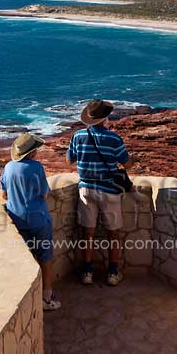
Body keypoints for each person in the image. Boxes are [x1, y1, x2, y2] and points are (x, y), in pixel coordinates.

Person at [67, 99, 133, 286]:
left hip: (86, 189)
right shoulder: (113, 138)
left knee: (87, 233)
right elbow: (127, 164)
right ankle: (112, 273)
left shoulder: (78, 135)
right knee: (113, 233)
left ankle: (87, 272)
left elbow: (69, 160)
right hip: (109, 190)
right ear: (105, 118)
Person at [1, 133, 61, 311]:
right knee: (45, 258)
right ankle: (46, 298)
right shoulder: (36, 167)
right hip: (38, 219)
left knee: (26, 260)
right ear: (32, 152)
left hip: (17, 220)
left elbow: (4, 195)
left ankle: (28, 302)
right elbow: (44, 194)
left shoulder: (8, 167)